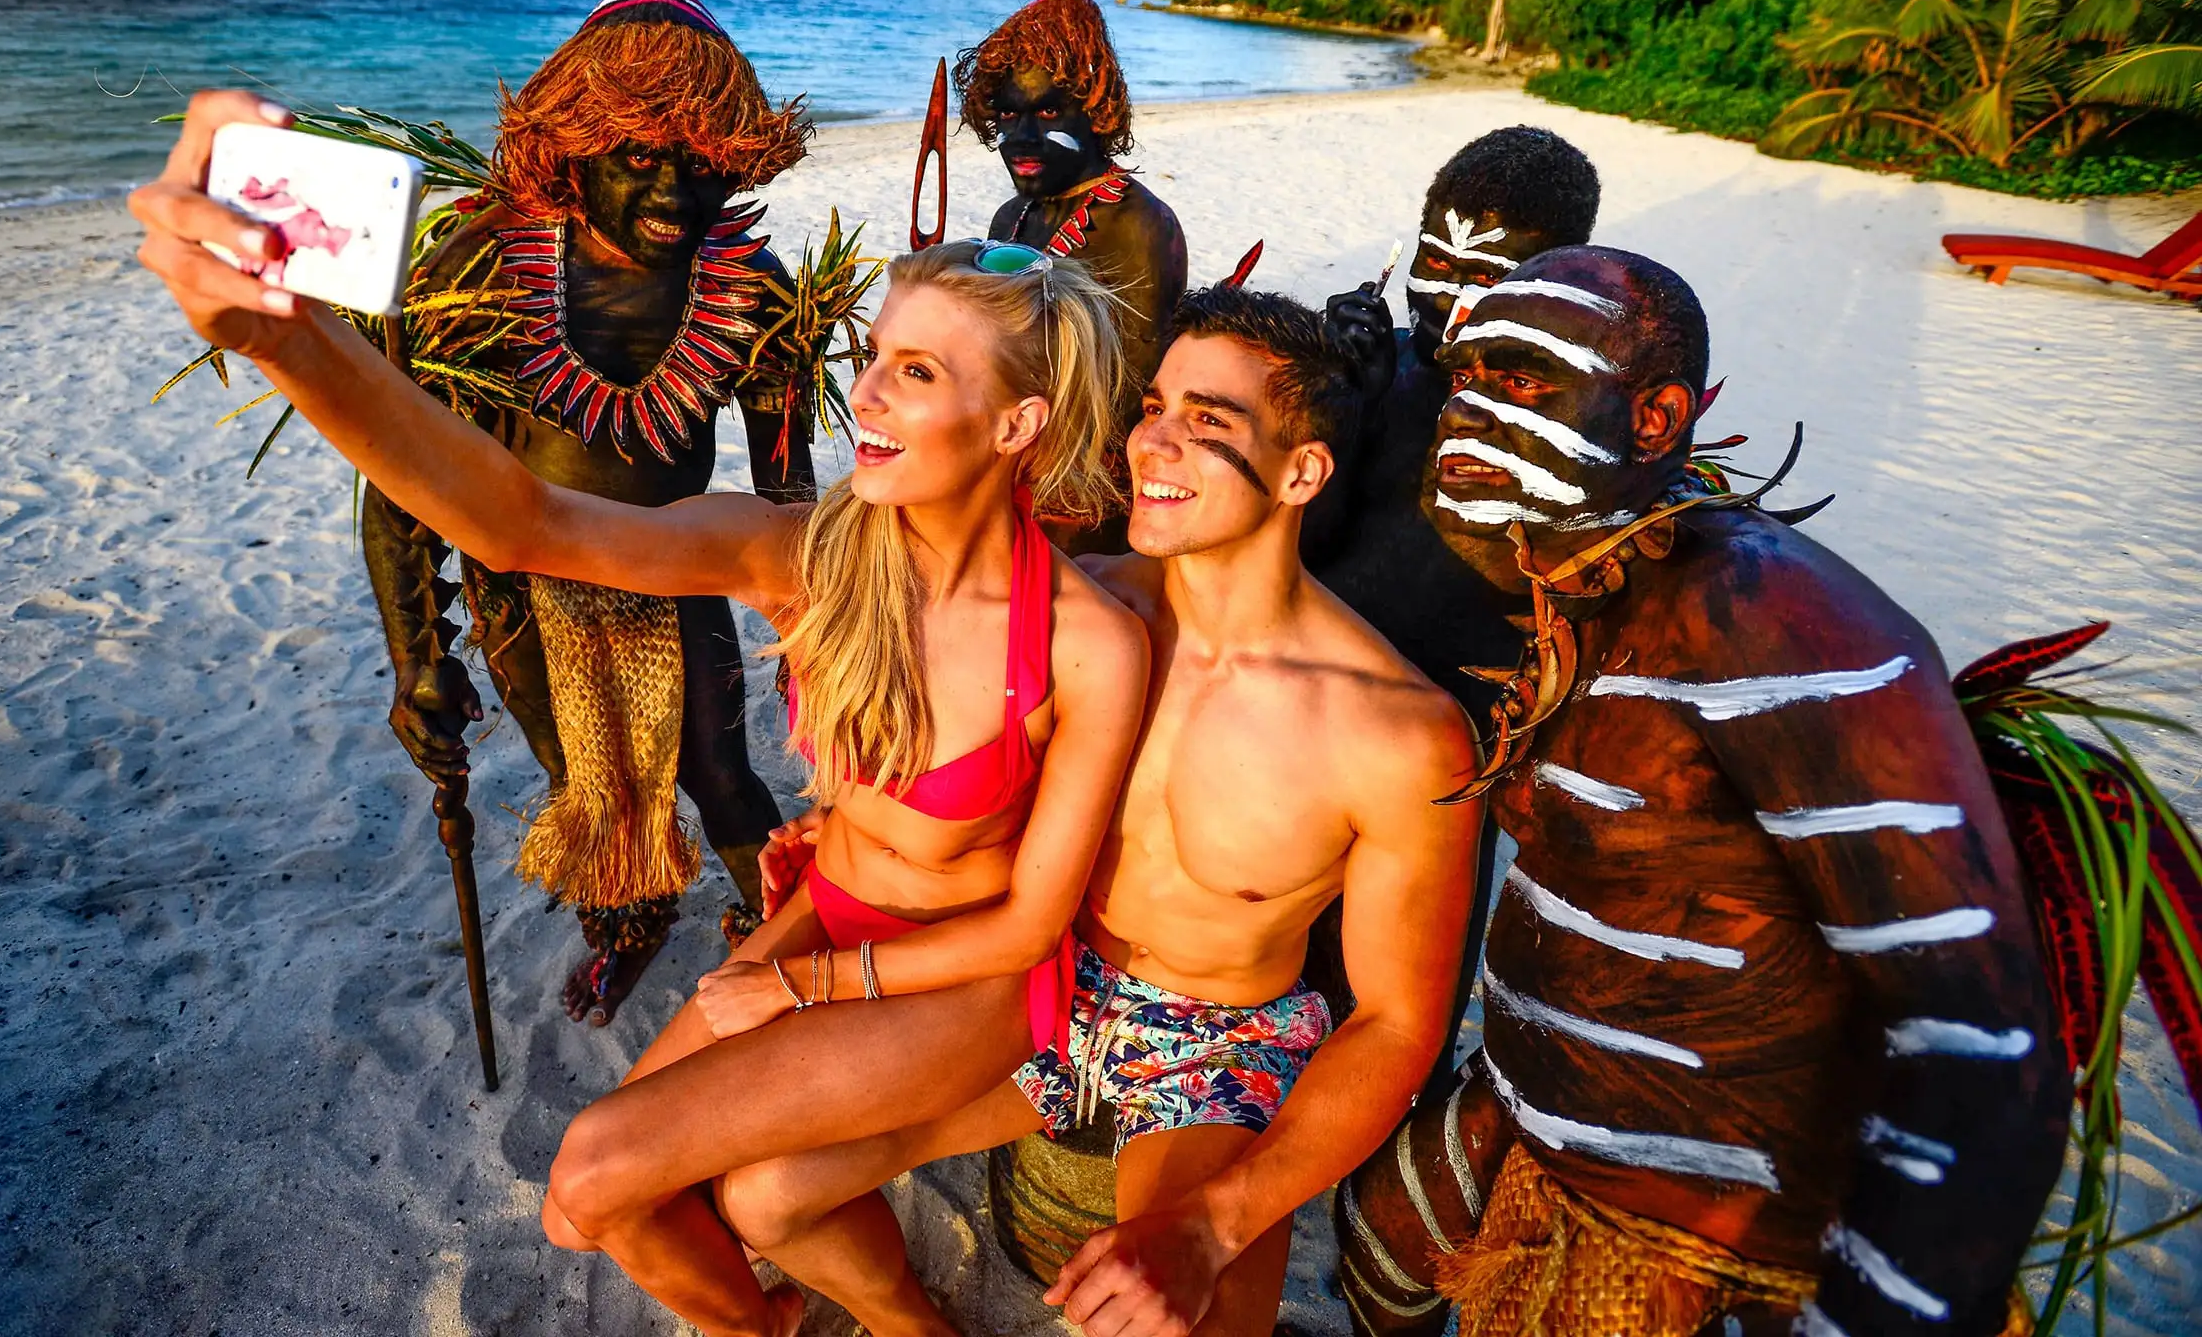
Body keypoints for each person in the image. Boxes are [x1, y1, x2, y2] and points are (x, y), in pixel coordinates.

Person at [129, 94, 1153, 1337]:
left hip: (968, 978)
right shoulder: (812, 557)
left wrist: (803, 983)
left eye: (919, 373)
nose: (868, 396)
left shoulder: (1084, 644)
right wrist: (285, 338)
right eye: (875, 355)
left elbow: (1031, 922)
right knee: (603, 1209)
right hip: (825, 919)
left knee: (599, 1175)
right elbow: (527, 521)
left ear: (1017, 425)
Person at [710, 283, 1483, 1337]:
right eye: (1154, 407)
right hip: (1032, 984)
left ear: (1301, 470)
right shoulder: (1087, 608)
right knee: (765, 1191)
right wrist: (848, 825)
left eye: (1208, 423)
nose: (1154, 443)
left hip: (1216, 1044)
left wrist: (1215, 1225)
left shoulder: (1395, 732)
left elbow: (1398, 1025)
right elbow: (960, 754)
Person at [1334, 248, 2069, 1337]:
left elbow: (1980, 1041)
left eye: (1521, 378)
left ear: (1655, 417)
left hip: (1699, 1218)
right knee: (1380, 1244)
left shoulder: (1778, 626)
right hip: (1528, 1119)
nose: (1468, 410)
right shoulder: (1577, 575)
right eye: (1465, 374)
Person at [362, 0, 816, 1025]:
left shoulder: (756, 289)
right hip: (524, 593)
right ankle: (631, 922)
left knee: (724, 777)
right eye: (640, 154)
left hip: (681, 568)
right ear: (576, 143)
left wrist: (811, 639)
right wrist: (416, 659)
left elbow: (789, 495)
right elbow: (399, 486)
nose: (673, 188)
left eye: (700, 158)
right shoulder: (479, 266)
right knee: (585, 784)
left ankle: (788, 956)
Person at [1305, 125, 1601, 720]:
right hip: (1311, 675)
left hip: (1455, 714)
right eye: (1434, 262)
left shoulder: (1565, 417)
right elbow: (1303, 539)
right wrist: (1337, 400)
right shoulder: (1377, 364)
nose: (1446, 298)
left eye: (1486, 279)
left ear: (1555, 278)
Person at [958, 0, 1189, 551]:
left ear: (1097, 112)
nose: (1022, 139)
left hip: (1083, 493)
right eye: (1008, 116)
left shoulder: (1138, 222)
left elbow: (1129, 389)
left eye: (1049, 112)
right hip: (1005, 459)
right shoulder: (1012, 216)